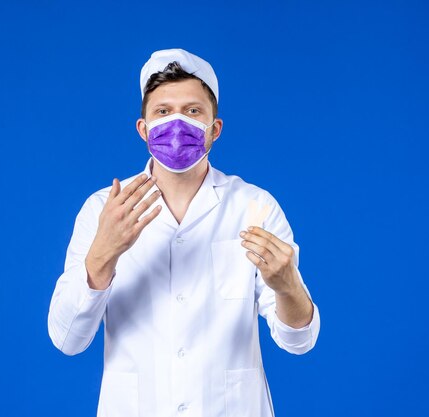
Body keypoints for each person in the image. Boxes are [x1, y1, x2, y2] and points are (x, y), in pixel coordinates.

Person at [48, 48, 320, 417]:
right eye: (162, 111)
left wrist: (287, 283)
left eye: (193, 111)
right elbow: (67, 340)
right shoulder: (102, 210)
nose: (177, 124)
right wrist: (103, 254)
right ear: (143, 129)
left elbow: (298, 341)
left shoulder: (254, 206)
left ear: (215, 129)